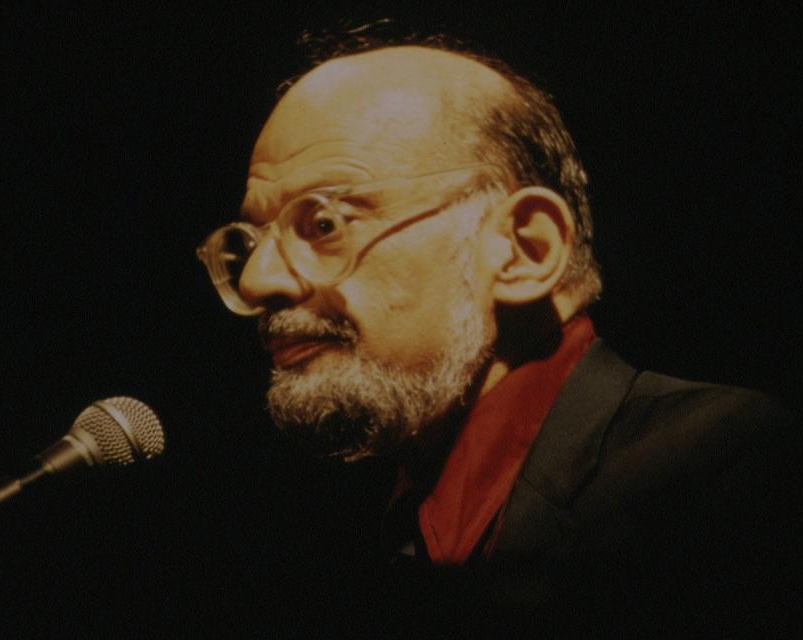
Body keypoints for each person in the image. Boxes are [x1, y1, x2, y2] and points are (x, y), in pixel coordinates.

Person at [196, 35, 800, 636]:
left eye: (324, 222)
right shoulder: (340, 545)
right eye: (248, 243)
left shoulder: (716, 480)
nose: (257, 280)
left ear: (523, 250)